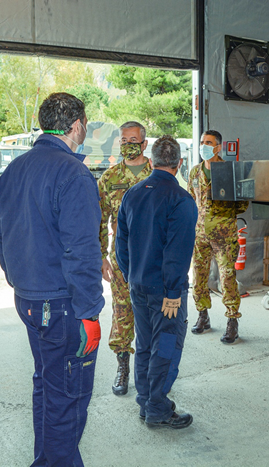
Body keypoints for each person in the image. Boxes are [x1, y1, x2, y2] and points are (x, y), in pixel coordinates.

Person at [0, 92, 104, 466]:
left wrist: (20, 281)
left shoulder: (15, 169)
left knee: (47, 386)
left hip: (29, 300)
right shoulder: (73, 173)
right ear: (76, 126)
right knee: (67, 397)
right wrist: (89, 313)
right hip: (62, 307)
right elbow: (83, 252)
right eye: (85, 123)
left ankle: (45, 460)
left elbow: (1, 237)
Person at [116, 135, 197, 429]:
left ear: (151, 162)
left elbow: (120, 246)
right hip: (166, 293)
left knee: (146, 345)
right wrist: (174, 293)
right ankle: (157, 408)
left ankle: (145, 402)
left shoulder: (132, 194)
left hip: (138, 285)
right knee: (166, 347)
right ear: (179, 163)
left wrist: (131, 275)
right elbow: (177, 254)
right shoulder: (181, 200)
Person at [99, 121, 152, 396]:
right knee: (122, 311)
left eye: (133, 139)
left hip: (152, 259)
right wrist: (101, 257)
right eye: (123, 140)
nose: (127, 144)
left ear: (144, 143)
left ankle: (153, 370)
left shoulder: (158, 175)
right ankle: (123, 367)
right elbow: (99, 220)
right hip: (121, 260)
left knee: (153, 312)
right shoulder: (109, 178)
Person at [188, 130, 248, 344]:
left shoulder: (230, 171)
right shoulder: (195, 173)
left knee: (227, 279)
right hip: (199, 236)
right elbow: (189, 201)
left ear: (218, 147)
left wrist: (226, 202)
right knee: (198, 278)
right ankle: (202, 315)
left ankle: (232, 321)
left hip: (224, 236)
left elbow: (243, 203)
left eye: (209, 142)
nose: (204, 145)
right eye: (202, 142)